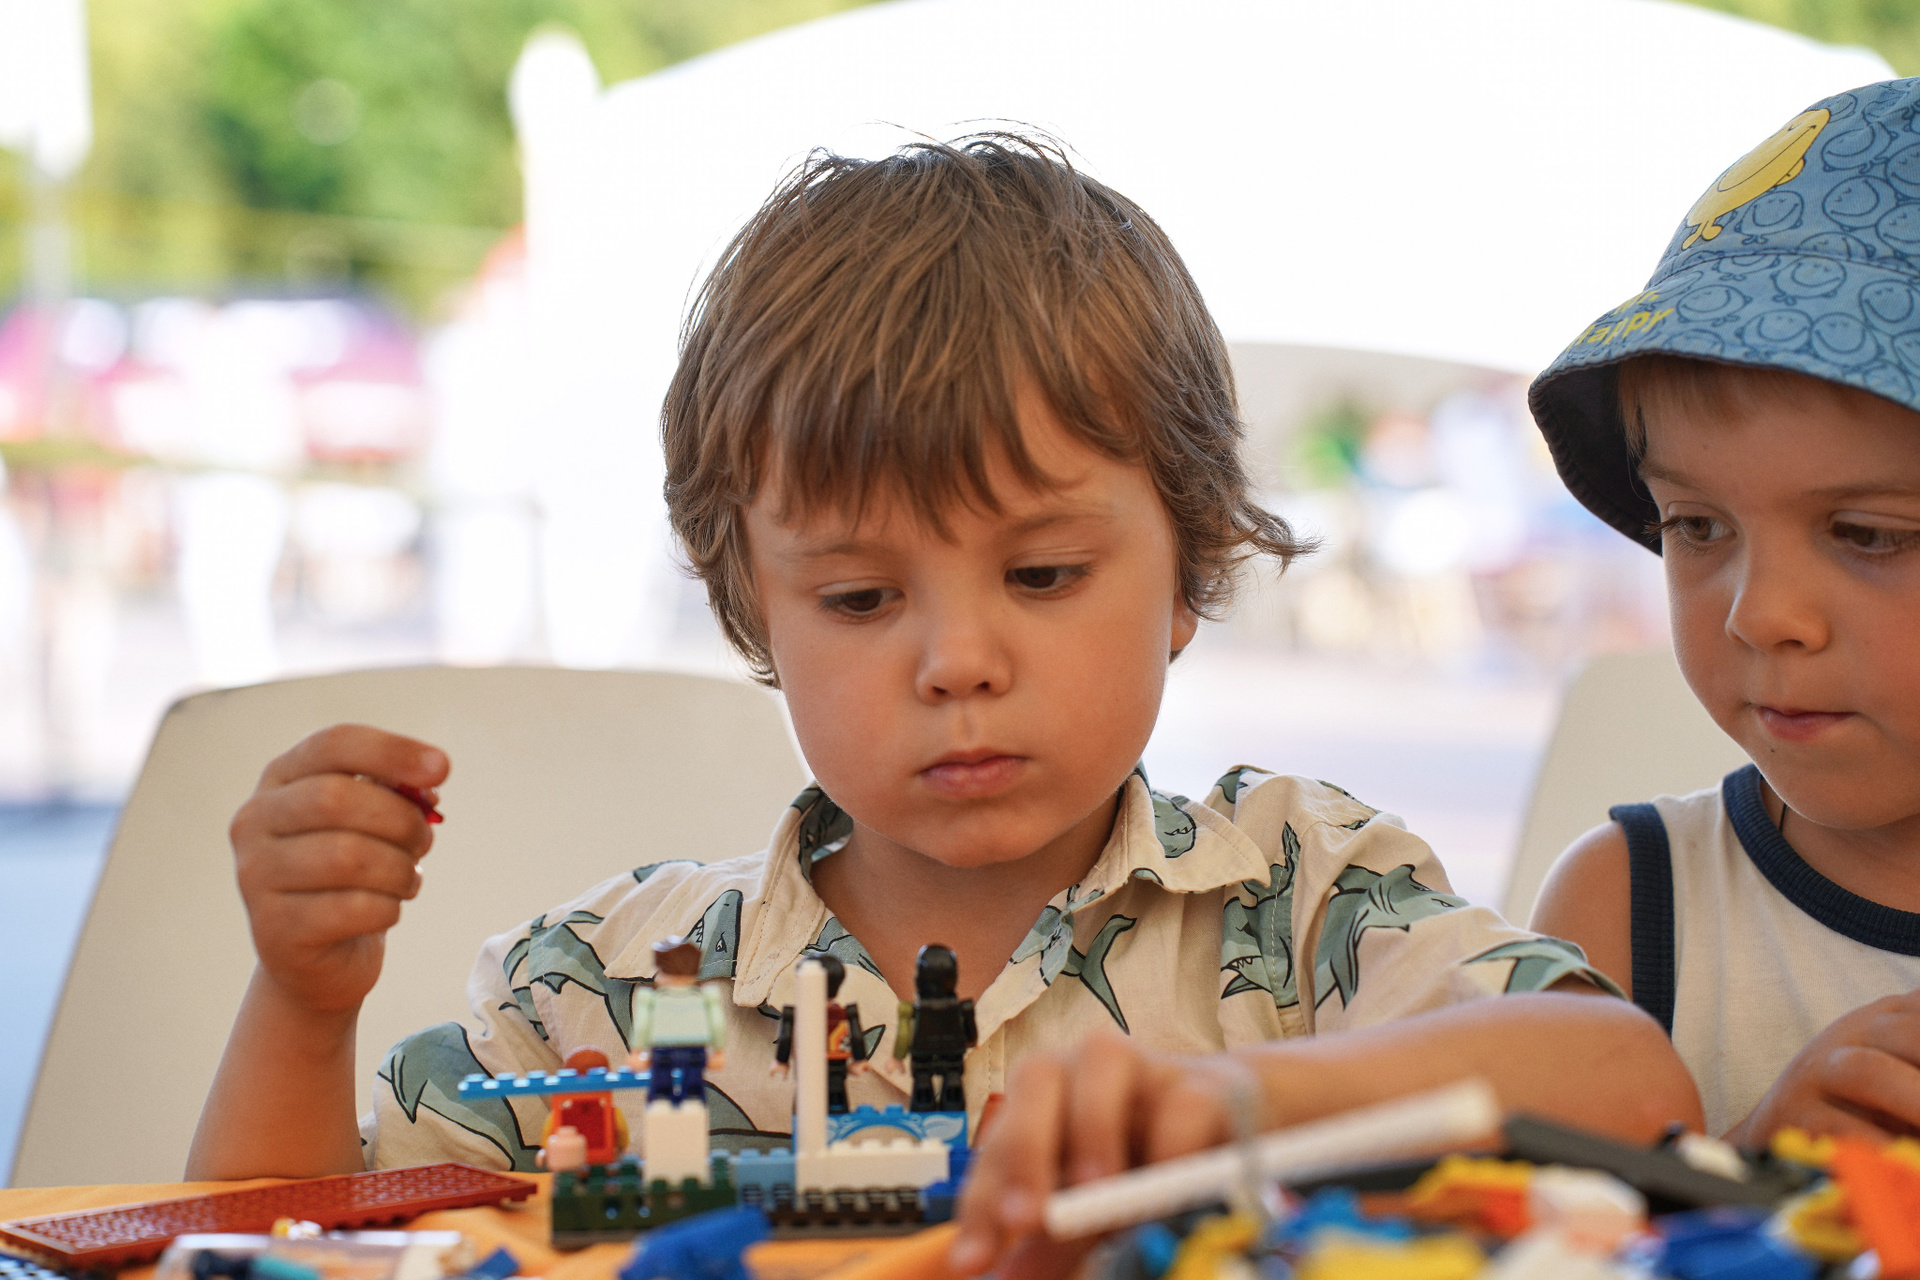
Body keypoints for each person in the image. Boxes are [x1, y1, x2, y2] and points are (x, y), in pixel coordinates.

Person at [185, 134, 1696, 1274]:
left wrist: (1250, 1100)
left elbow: (1629, 1083)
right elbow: (270, 1250)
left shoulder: (1305, 903)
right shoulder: (605, 989)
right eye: (859, 598)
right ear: (754, 611)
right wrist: (305, 1005)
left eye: (1042, 574)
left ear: (1188, 570)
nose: (957, 661)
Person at [1528, 76, 1920, 1152]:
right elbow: (1550, 1224)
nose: (1761, 614)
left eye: (1869, 533)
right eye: (1697, 525)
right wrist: (1744, 1168)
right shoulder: (1630, 909)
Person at [630, 938, 727, 1105]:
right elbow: (717, 1023)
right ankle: (692, 1101)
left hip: (662, 1052)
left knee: (661, 1090)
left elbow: (642, 1024)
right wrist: (718, 1050)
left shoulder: (651, 999)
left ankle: (662, 1101)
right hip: (695, 1052)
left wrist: (637, 1051)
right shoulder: (706, 996)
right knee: (693, 1091)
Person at [772, 952, 871, 1114]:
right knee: (807, 1100)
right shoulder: (797, 1013)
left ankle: (837, 1121)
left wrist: (859, 1059)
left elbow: (855, 1034)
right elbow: (786, 1037)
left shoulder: (843, 1013)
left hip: (834, 1061)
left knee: (835, 1096)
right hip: (811, 1063)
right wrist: (781, 1061)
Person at [893, 943, 975, 1113]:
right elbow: (971, 1035)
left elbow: (903, 1034)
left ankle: (925, 1105)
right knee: (953, 1089)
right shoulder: (959, 1008)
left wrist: (898, 1056)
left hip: (922, 1056)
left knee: (923, 1090)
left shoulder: (915, 1009)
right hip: (952, 1056)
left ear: (920, 977)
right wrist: (970, 1037)